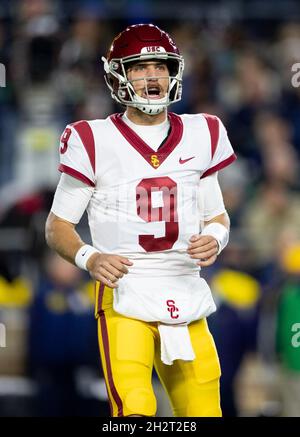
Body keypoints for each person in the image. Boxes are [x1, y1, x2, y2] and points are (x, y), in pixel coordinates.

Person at [45, 23, 237, 417]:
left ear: (174, 72)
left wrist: (216, 238)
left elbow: (217, 216)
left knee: (204, 409)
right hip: (124, 290)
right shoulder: (92, 138)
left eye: (160, 66)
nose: (152, 76)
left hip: (185, 287)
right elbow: (57, 227)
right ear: (118, 74)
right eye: (139, 67)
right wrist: (91, 258)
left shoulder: (204, 131)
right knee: (136, 406)